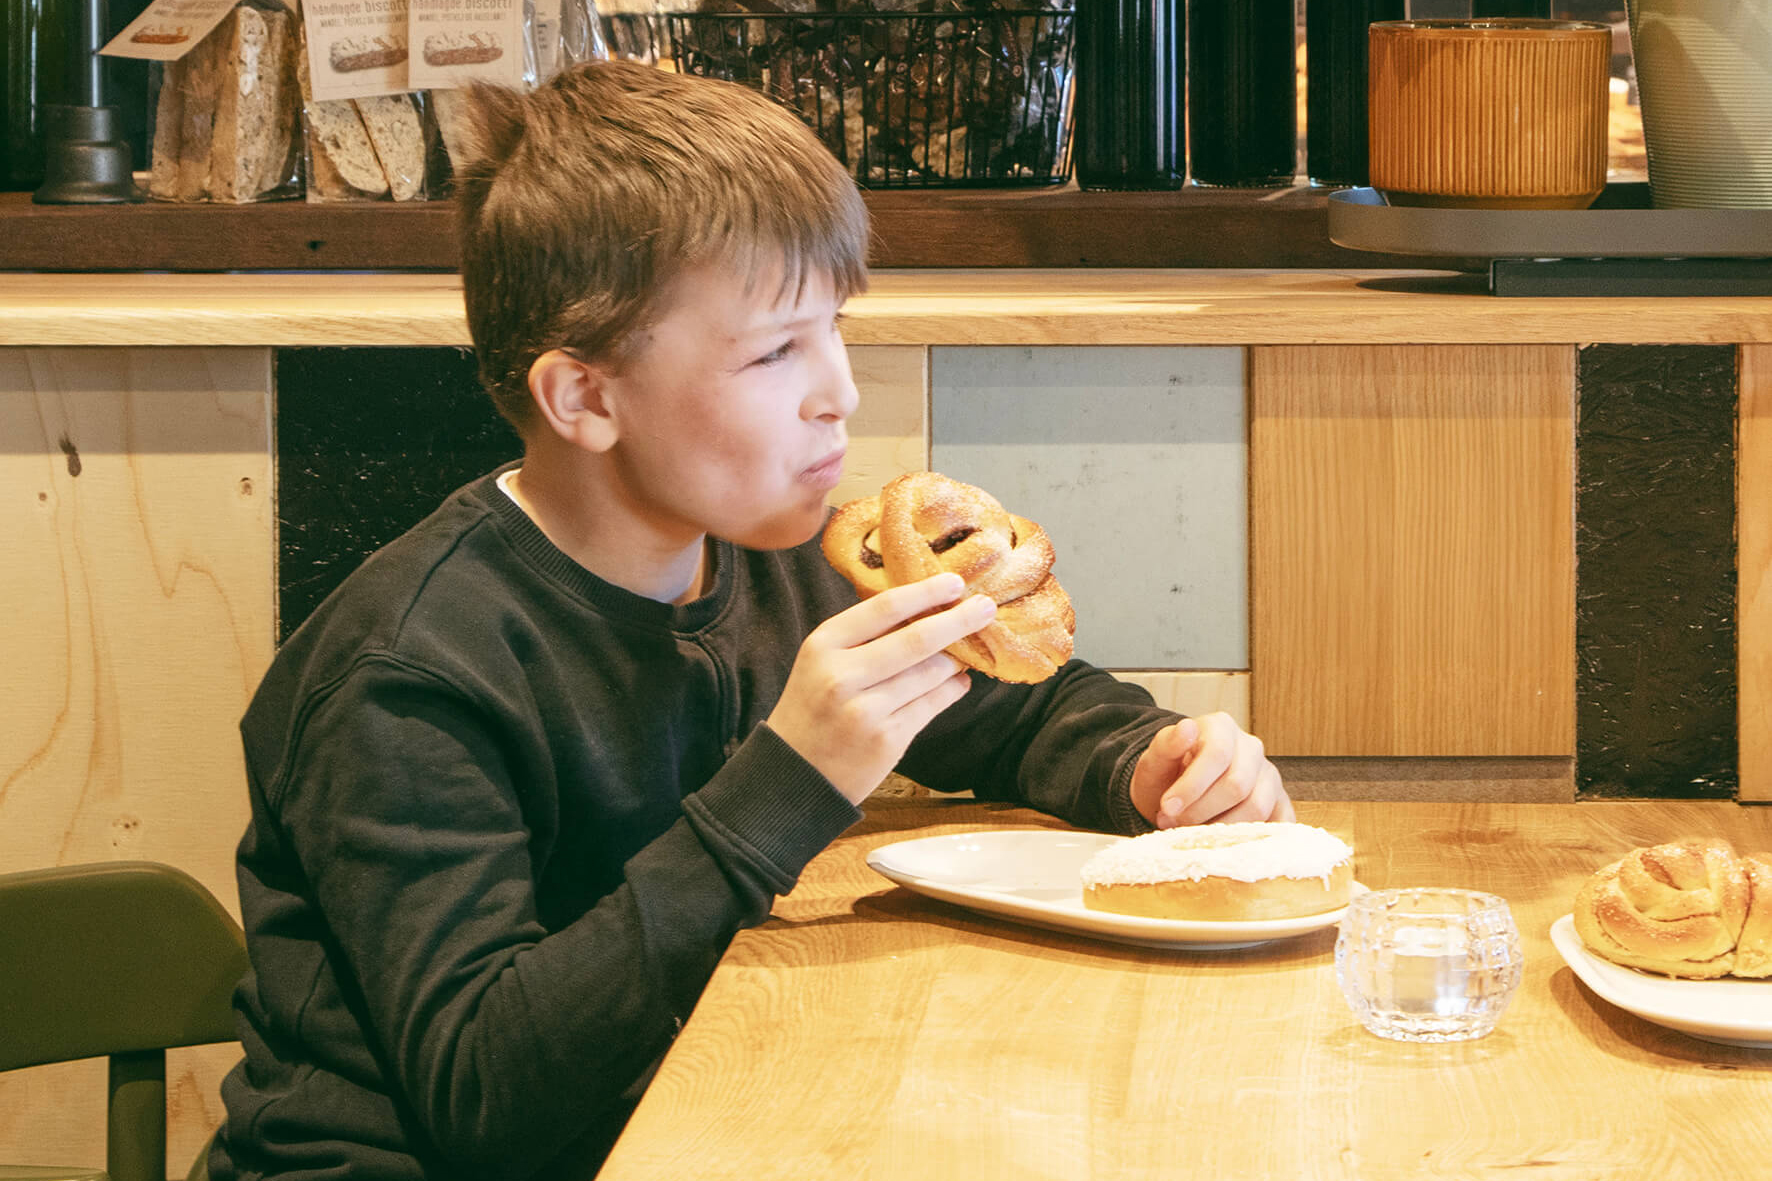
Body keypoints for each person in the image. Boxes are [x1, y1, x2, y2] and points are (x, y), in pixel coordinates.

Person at [208, 59, 1291, 1181]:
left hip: (702, 1123)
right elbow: (486, 1094)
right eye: (775, 351)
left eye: (833, 327)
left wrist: (1144, 762)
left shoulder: (777, 563)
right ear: (585, 397)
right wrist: (791, 777)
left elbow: (1012, 713)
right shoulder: (408, 675)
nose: (840, 392)